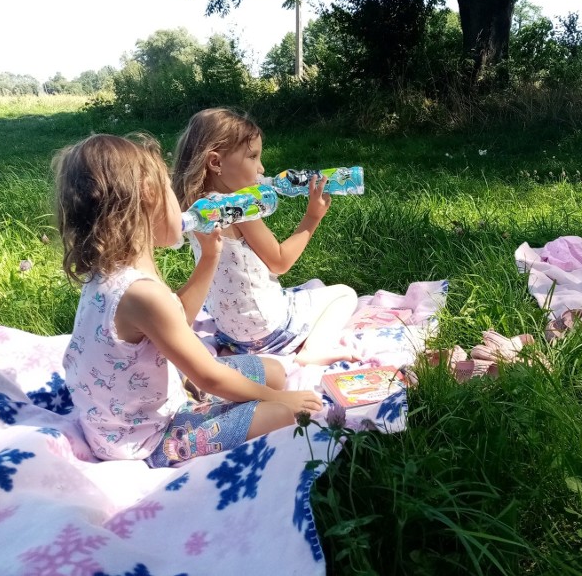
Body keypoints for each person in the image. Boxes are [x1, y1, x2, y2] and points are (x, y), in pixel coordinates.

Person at [53, 133, 323, 467]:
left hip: (149, 396)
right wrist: (283, 400)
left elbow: (175, 320)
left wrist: (209, 257)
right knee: (281, 413)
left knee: (274, 371)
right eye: (168, 187)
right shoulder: (141, 292)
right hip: (144, 437)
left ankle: (224, 399)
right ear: (150, 196)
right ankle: (182, 437)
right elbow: (209, 375)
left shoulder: (112, 269)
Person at [172, 108, 358, 366]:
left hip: (230, 331)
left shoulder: (197, 206)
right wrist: (312, 217)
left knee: (311, 286)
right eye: (253, 156)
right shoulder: (236, 209)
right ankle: (313, 351)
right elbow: (280, 262)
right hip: (267, 328)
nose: (261, 168)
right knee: (344, 294)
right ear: (216, 163)